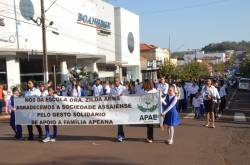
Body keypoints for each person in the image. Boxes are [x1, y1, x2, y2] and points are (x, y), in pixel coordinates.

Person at [110, 78, 125, 142]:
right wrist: (110, 96)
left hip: (123, 106)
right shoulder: (112, 89)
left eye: (117, 81)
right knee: (119, 121)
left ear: (119, 82)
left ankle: (121, 135)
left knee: (120, 121)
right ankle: (120, 135)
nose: (116, 82)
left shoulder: (123, 88)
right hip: (116, 107)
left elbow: (127, 96)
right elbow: (111, 97)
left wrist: (123, 95)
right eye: (115, 81)